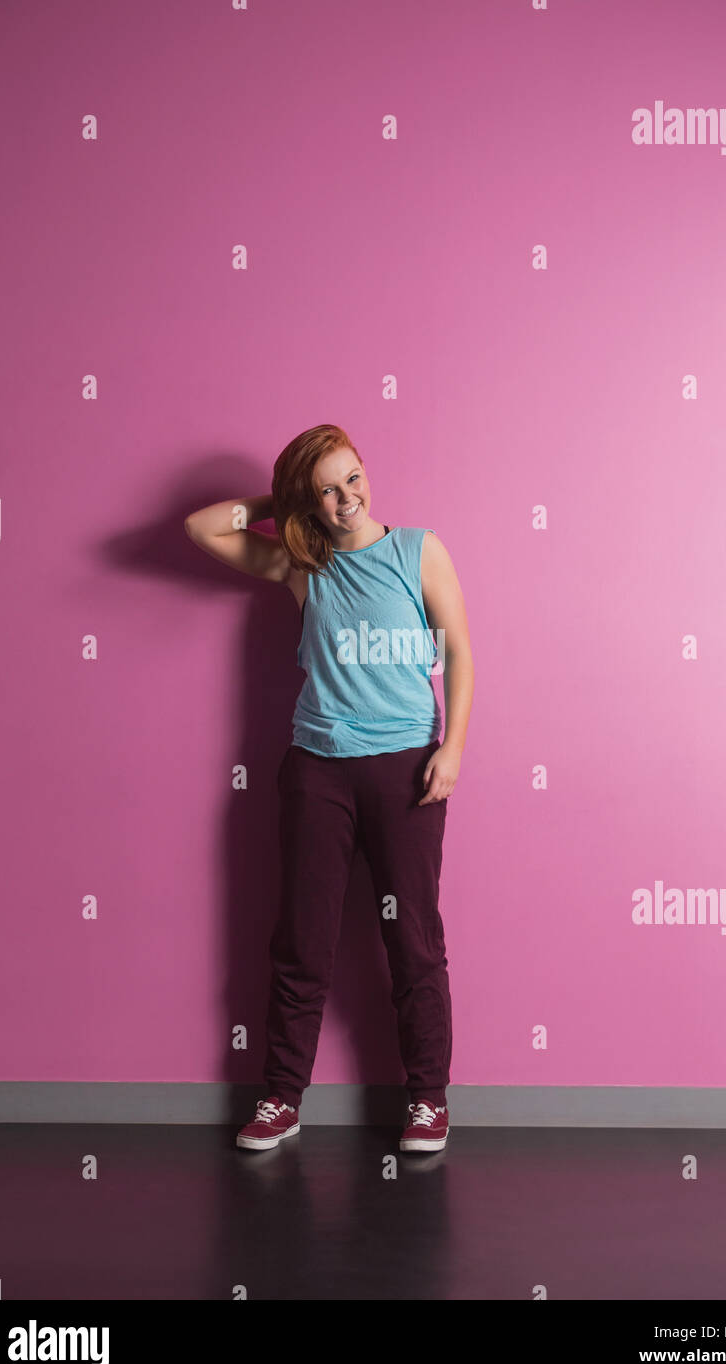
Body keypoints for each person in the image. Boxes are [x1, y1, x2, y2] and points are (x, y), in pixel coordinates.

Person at [184, 424, 473, 1152]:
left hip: (407, 767)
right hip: (318, 769)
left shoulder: (417, 551)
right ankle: (282, 1099)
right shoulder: (300, 568)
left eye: (351, 479)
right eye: (325, 490)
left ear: (366, 472)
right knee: (302, 942)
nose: (346, 498)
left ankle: (428, 1102)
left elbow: (461, 649)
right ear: (304, 502)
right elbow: (201, 527)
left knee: (413, 941)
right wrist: (282, 499)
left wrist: (454, 749)